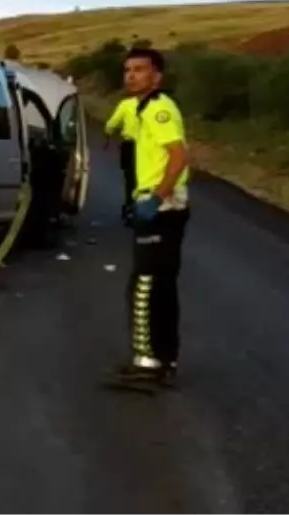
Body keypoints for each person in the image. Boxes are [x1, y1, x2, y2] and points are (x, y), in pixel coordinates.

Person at [104, 47, 191, 393]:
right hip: (158, 205)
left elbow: (179, 156)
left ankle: (148, 361)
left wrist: (156, 197)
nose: (131, 75)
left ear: (157, 76)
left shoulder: (158, 110)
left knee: (144, 286)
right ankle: (165, 359)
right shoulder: (138, 108)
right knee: (162, 287)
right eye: (127, 70)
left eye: (140, 70)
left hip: (163, 209)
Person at [104, 95, 141, 225]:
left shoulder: (126, 104)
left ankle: (130, 207)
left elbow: (112, 122)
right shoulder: (154, 106)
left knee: (130, 178)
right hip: (147, 147)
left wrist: (108, 136)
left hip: (129, 145)